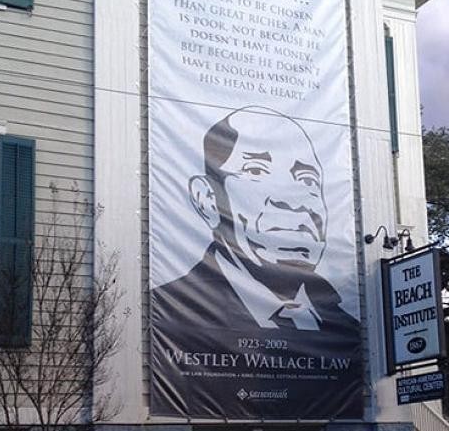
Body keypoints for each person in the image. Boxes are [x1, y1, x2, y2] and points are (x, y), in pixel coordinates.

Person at [152, 105, 358, 332]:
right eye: (256, 171)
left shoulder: (345, 327)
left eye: (306, 179)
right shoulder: (173, 311)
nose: (291, 201)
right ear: (207, 200)